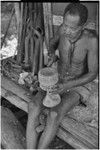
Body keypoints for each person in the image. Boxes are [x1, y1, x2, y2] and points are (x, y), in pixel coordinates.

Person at [26, 3, 98, 149]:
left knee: (53, 115)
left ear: (83, 26)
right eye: (65, 25)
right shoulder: (62, 30)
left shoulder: (92, 40)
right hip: (57, 78)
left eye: (73, 28)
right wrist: (52, 54)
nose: (67, 30)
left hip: (78, 85)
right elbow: (52, 43)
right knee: (33, 106)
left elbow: (92, 73)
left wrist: (67, 85)